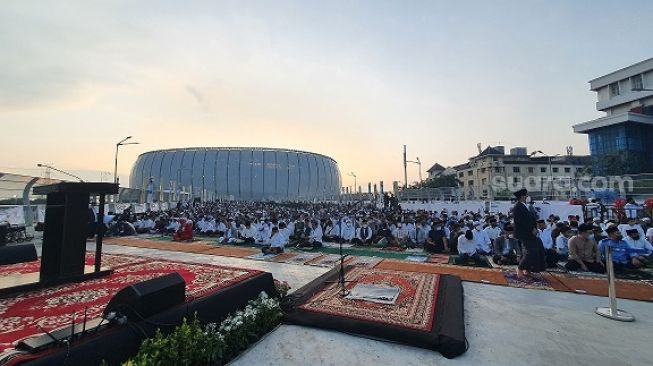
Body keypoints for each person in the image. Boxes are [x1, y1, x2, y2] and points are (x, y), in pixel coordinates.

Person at [512, 188, 546, 278]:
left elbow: (531, 219)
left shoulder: (526, 206)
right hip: (524, 233)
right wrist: (531, 229)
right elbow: (520, 222)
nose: (527, 197)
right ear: (522, 196)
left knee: (538, 249)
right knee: (531, 252)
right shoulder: (517, 207)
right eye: (526, 195)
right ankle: (520, 268)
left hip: (531, 232)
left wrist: (535, 228)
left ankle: (528, 269)